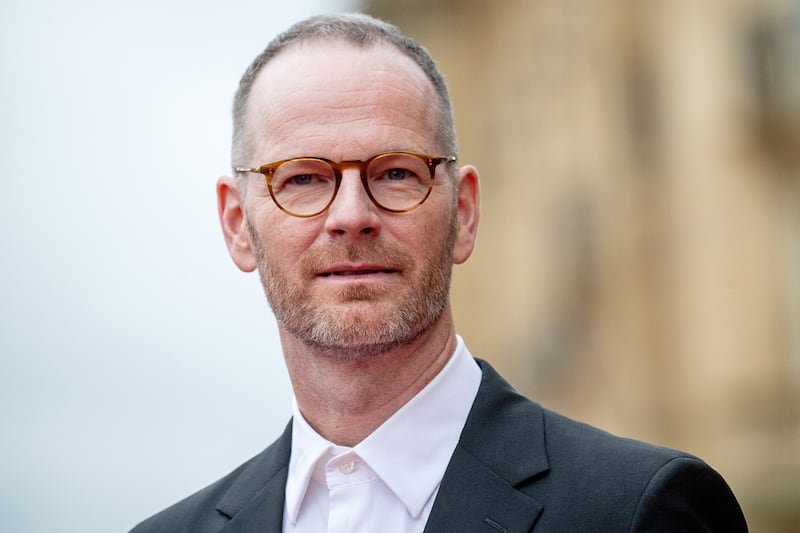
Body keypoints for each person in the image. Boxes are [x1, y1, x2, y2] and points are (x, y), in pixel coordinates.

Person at [131, 13, 748, 533]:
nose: (351, 215)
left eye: (396, 172)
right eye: (303, 178)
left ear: (465, 212)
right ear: (238, 224)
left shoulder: (640, 509)